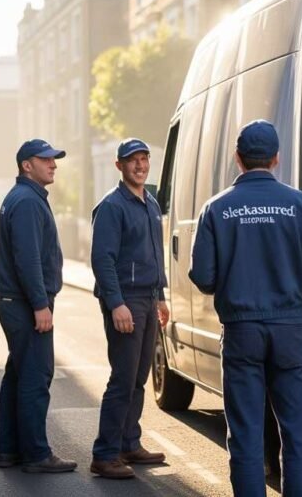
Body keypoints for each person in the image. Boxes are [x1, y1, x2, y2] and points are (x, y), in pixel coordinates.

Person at [189, 120, 302, 497]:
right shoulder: (299, 204)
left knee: (246, 432)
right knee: (297, 432)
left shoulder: (216, 208)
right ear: (276, 159)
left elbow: (202, 275)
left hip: (241, 331)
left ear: (238, 159)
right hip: (288, 329)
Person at [0, 139, 76, 473]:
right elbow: (27, 260)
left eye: (54, 159)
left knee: (17, 376)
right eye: (46, 159)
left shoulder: (25, 197)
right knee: (36, 377)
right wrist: (41, 305)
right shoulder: (27, 201)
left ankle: (10, 451)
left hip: (16, 301)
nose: (53, 164)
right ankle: (36, 455)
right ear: (27, 165)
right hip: (26, 304)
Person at [89, 138, 171, 480]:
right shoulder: (112, 206)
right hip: (126, 299)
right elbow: (102, 260)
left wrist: (161, 295)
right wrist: (116, 303)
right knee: (123, 378)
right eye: (132, 160)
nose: (140, 165)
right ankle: (104, 454)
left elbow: (156, 250)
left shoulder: (150, 201)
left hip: (148, 298)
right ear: (119, 165)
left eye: (144, 159)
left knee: (138, 377)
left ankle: (128, 442)